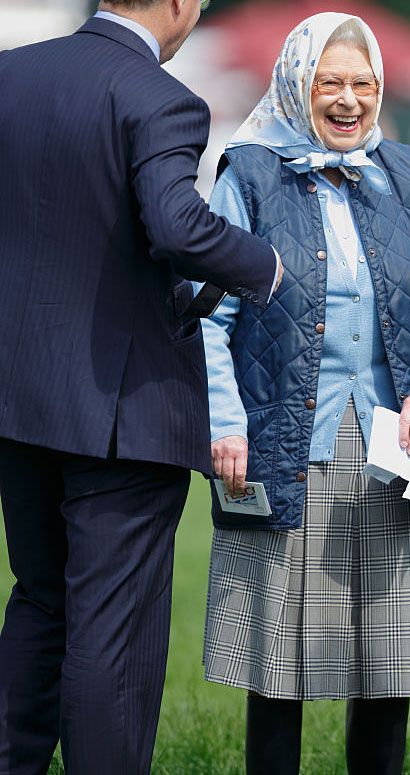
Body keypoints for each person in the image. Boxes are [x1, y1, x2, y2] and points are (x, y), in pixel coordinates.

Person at [0, 0, 282, 771]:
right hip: (122, 412)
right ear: (178, 4)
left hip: (17, 398)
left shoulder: (10, 73)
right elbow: (178, 225)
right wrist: (267, 264)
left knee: (38, 595)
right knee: (110, 627)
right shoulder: (159, 96)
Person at [196, 12, 410, 775]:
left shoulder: (404, 172)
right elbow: (206, 317)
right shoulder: (247, 175)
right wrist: (225, 424)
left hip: (390, 454)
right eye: (331, 83)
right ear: (296, 83)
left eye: (363, 84)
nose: (349, 100)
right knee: (277, 670)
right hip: (282, 448)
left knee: (386, 671)